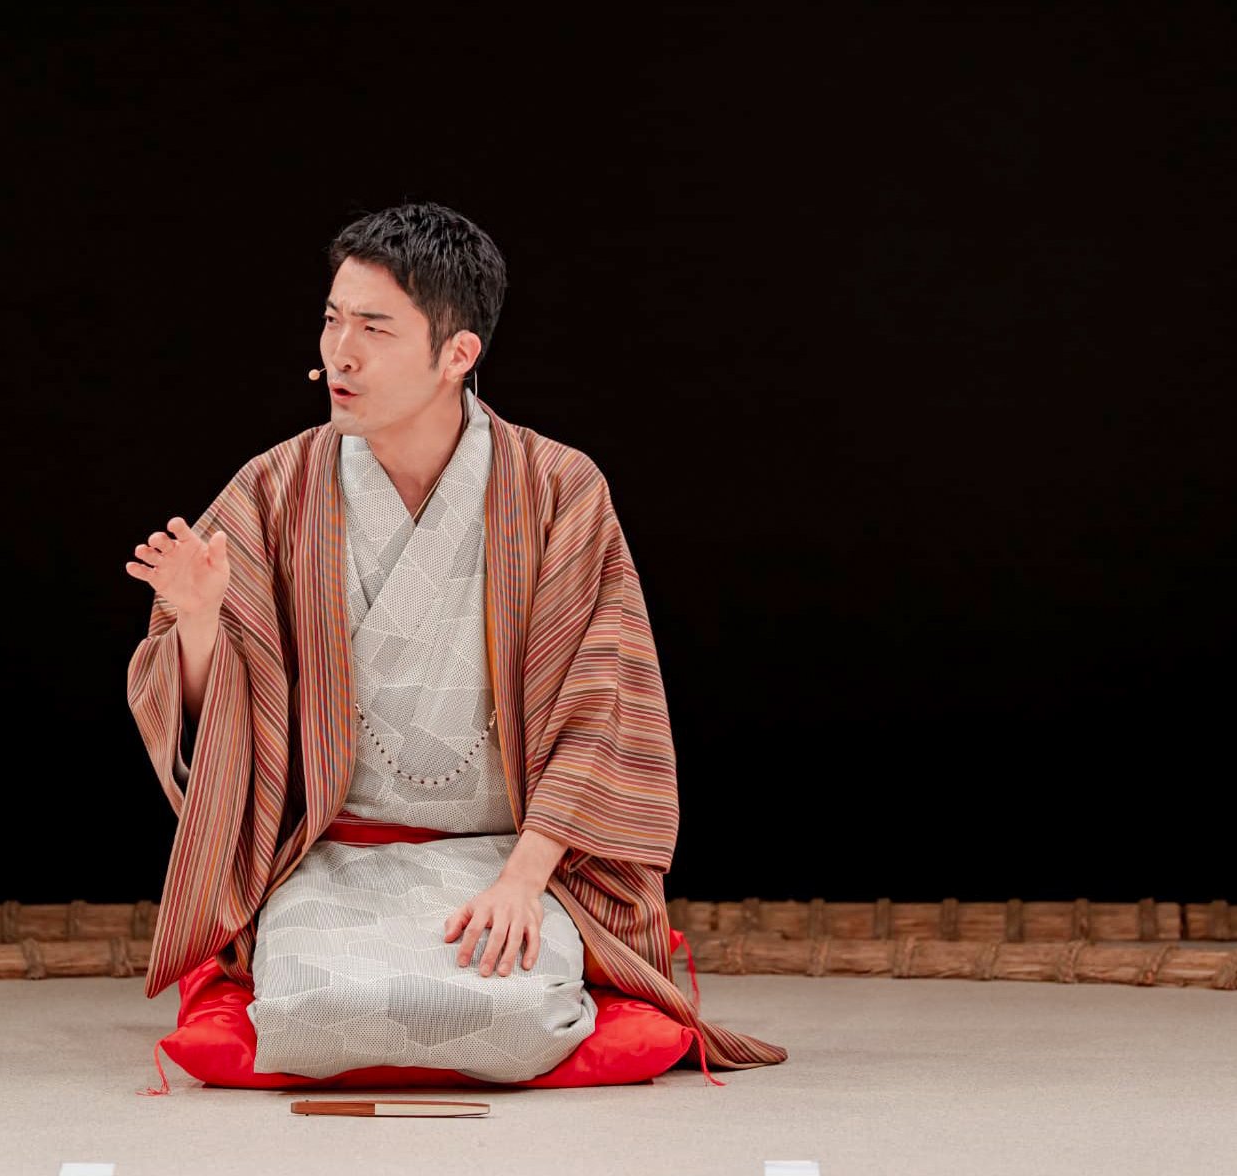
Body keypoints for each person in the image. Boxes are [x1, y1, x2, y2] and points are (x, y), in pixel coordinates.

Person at [124, 201, 785, 1080]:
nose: (339, 353)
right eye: (331, 320)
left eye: (373, 328)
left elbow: (603, 700)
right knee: (314, 1010)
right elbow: (217, 720)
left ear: (457, 354)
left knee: (514, 1012)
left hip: (506, 855)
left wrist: (524, 879)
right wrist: (200, 619)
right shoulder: (275, 487)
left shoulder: (557, 488)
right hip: (337, 855)